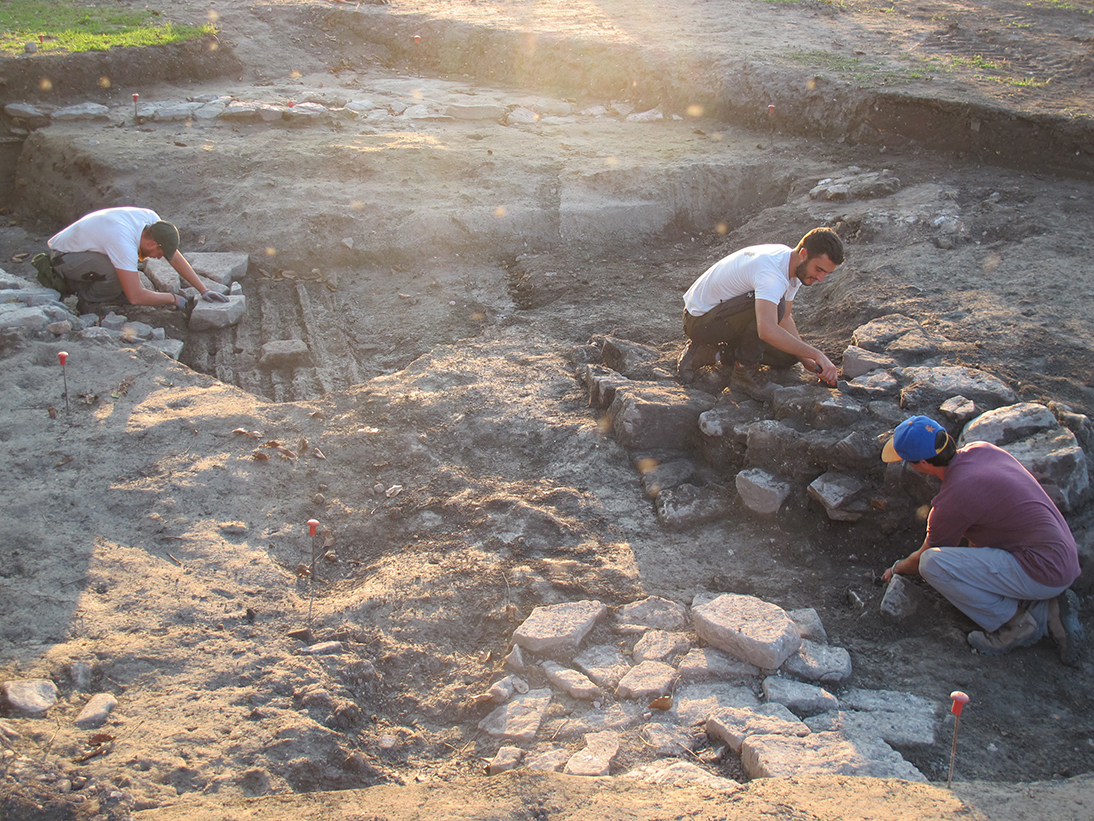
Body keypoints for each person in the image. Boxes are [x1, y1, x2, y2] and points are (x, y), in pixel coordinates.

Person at [881, 415, 1084, 665]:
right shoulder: (983, 450)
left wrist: (896, 567)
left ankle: (1016, 625)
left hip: (1042, 569)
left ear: (922, 463)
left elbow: (924, 555)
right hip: (1062, 556)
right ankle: (1048, 608)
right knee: (967, 556)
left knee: (932, 564)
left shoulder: (953, 499)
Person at [677, 227, 844, 397]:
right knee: (774, 308)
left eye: (826, 273)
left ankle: (708, 353)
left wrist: (807, 359)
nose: (821, 279)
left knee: (789, 355)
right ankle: (744, 373)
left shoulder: (794, 266)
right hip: (700, 322)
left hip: (725, 315)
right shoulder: (772, 272)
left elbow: (785, 317)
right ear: (804, 254)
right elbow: (767, 329)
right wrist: (817, 354)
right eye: (819, 270)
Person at [35, 206, 228, 312]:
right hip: (63, 259)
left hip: (85, 252)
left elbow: (174, 256)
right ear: (153, 244)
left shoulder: (151, 220)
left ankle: (96, 288)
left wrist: (204, 289)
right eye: (160, 254)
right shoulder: (123, 242)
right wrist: (173, 298)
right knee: (119, 275)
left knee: (129, 269)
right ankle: (85, 297)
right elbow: (136, 297)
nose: (159, 258)